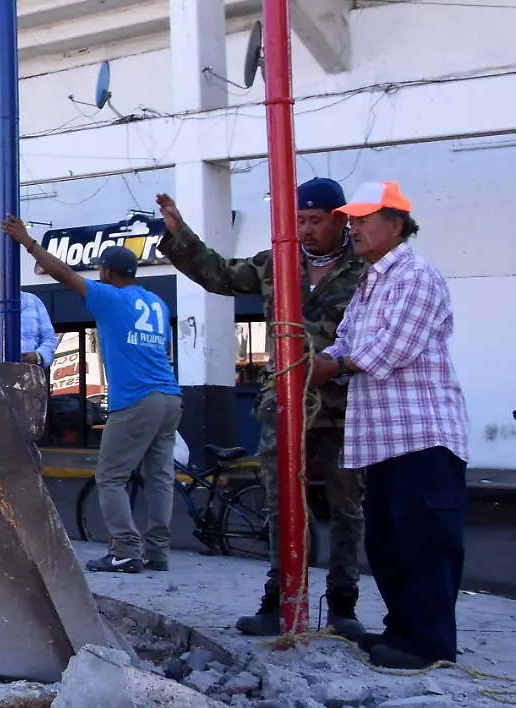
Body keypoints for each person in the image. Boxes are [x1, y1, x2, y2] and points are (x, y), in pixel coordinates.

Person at [158, 178, 370, 639]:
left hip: (345, 406)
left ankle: (343, 606)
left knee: (348, 507)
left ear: (340, 220)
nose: (306, 230)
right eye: (299, 220)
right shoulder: (278, 263)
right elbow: (220, 274)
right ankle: (279, 599)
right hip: (284, 403)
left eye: (315, 221)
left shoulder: (365, 271)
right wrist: (180, 234)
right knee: (280, 505)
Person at [308, 182, 468, 669]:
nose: (352, 227)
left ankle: (429, 644)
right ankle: (404, 632)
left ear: (395, 225)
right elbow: (345, 340)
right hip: (381, 440)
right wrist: (314, 361)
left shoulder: (416, 275)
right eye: (351, 219)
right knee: (389, 543)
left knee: (423, 543)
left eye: (363, 219)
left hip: (422, 435)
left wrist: (328, 369)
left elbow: (393, 346)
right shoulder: (371, 280)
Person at [2, 216, 180, 574]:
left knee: (111, 477)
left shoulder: (111, 298)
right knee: (160, 476)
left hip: (136, 399)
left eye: (100, 269)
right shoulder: (156, 303)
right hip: (170, 396)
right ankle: (157, 551)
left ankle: (127, 549)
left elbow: (63, 274)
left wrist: (28, 242)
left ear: (108, 271)